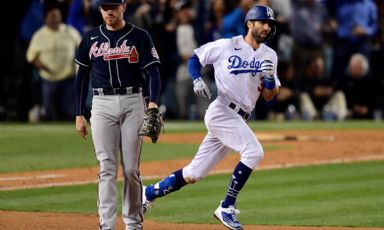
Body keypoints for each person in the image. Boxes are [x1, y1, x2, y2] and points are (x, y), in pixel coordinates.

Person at [142, 5, 280, 230]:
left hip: (239, 117)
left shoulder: (270, 55)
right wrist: (196, 78)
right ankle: (226, 207)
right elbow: (195, 58)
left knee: (193, 173)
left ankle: (147, 193)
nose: (267, 27)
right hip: (222, 112)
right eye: (262, 22)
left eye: (270, 24)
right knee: (254, 152)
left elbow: (269, 97)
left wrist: (271, 79)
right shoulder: (228, 45)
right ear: (249, 23)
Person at [74, 0, 161, 229]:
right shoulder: (90, 39)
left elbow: (153, 73)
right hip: (101, 103)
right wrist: (79, 114)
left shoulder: (139, 36)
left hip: (134, 100)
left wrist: (153, 103)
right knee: (107, 167)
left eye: (113, 6)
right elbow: (81, 77)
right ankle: (107, 225)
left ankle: (133, 223)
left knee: (131, 169)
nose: (109, 11)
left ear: (124, 7)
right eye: (105, 7)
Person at [26, 5, 81, 121]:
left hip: (68, 78)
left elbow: (82, 48)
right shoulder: (39, 35)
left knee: (70, 112)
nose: (54, 19)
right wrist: (38, 63)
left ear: (61, 17)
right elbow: (30, 55)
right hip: (48, 78)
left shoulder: (70, 31)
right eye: (52, 16)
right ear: (46, 19)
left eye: (57, 16)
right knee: (50, 112)